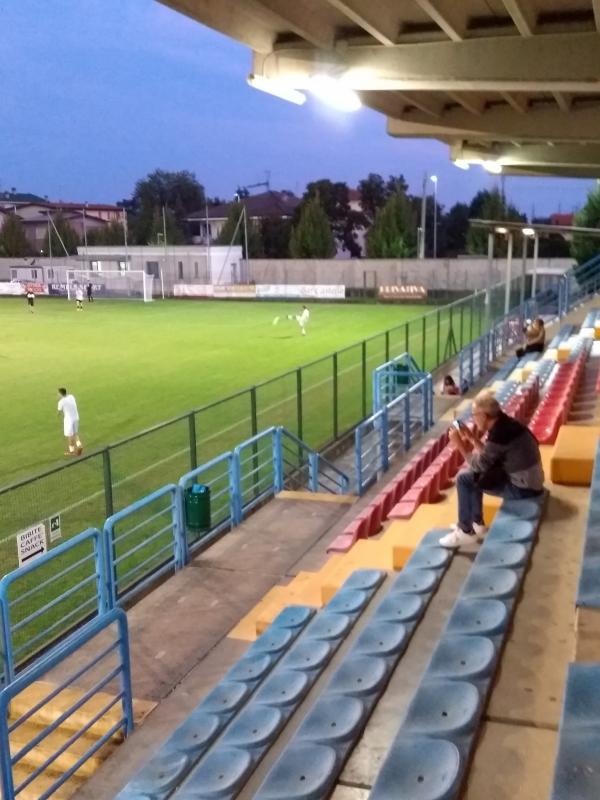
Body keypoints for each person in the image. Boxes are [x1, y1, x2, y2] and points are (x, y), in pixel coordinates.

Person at [439, 389, 544, 549]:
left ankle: (466, 531)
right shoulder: (505, 424)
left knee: (464, 479)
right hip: (529, 480)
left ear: (483, 416)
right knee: (475, 476)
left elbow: (478, 464)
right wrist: (473, 439)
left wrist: (459, 444)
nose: (473, 420)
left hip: (524, 489)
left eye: (474, 415)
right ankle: (477, 523)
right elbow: (488, 458)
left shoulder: (499, 435)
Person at [57, 388, 83, 457]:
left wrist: (58, 415)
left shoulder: (61, 402)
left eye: (58, 393)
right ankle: (79, 445)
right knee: (75, 433)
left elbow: (59, 412)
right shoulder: (71, 396)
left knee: (70, 436)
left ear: (60, 394)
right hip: (76, 417)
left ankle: (71, 451)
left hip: (69, 420)